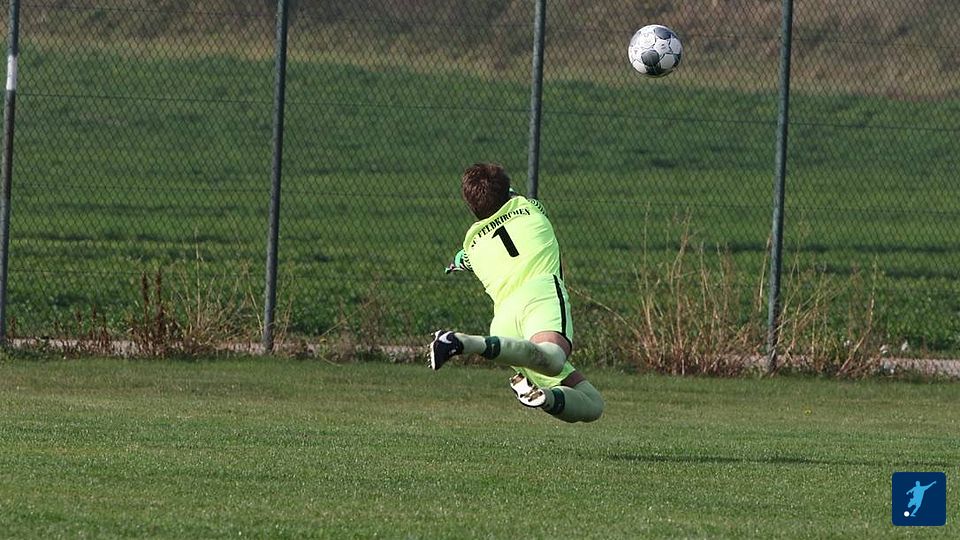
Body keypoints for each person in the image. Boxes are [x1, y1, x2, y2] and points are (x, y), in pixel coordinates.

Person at [429, 163, 603, 423]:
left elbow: (460, 259)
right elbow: (511, 197)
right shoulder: (531, 208)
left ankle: (544, 396)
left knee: (593, 403)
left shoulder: (472, 245)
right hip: (540, 296)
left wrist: (454, 263)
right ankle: (466, 343)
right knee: (554, 358)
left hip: (505, 322)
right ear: (507, 191)